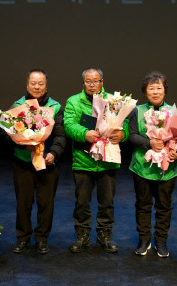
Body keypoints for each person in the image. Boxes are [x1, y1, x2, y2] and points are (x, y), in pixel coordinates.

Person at [64, 68, 129, 253]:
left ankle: (105, 235)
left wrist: (122, 135)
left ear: (102, 81)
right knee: (82, 202)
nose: (92, 85)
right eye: (88, 81)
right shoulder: (73, 101)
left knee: (107, 202)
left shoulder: (113, 101)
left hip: (108, 160)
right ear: (83, 83)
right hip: (83, 160)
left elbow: (123, 127)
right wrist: (85, 133)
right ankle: (82, 235)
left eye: (96, 81)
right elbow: (69, 125)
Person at [128, 72, 177, 257]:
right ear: (145, 91)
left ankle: (161, 241)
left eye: (159, 88)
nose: (155, 92)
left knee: (164, 206)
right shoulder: (137, 111)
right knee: (143, 205)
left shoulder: (173, 112)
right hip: (142, 167)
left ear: (165, 90)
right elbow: (131, 135)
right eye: (151, 88)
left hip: (167, 168)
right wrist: (149, 144)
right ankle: (144, 239)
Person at [9, 69, 66, 254]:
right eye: (33, 83)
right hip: (23, 162)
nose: (37, 86)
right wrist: (22, 144)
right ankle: (22, 237)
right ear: (27, 85)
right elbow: (6, 134)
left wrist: (54, 153)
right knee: (23, 202)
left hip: (47, 163)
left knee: (46, 202)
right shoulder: (18, 105)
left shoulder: (55, 107)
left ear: (46, 86)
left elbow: (60, 135)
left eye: (41, 83)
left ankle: (42, 238)